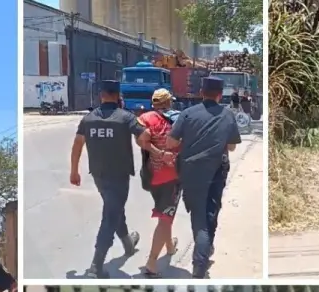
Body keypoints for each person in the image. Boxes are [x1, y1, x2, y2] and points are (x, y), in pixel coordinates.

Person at [69, 79, 158, 278]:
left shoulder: (89, 119)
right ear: (118, 96)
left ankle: (128, 243)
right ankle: (96, 265)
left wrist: (74, 171)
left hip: (99, 175)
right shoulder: (125, 117)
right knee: (111, 215)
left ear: (101, 95)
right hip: (119, 175)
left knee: (114, 208)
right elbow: (144, 136)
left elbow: (77, 145)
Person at [166, 77, 242, 278]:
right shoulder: (227, 115)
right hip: (217, 171)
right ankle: (203, 257)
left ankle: (200, 263)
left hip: (191, 172)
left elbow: (171, 142)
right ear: (219, 94)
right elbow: (232, 146)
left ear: (201, 92)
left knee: (199, 218)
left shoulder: (188, 114)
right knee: (210, 215)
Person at [136, 88, 180, 277]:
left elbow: (141, 141)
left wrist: (156, 153)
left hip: (152, 175)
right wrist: (164, 154)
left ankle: (169, 247)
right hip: (171, 176)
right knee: (165, 218)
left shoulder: (145, 118)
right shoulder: (178, 118)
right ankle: (152, 262)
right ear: (169, 102)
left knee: (165, 214)